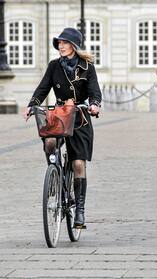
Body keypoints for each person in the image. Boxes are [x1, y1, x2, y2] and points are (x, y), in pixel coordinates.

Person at [23, 27, 101, 227]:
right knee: (49, 141)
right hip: (59, 115)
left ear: (74, 46)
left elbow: (94, 91)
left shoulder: (87, 67)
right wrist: (32, 104)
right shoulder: (54, 66)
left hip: (80, 117)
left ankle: (80, 212)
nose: (61, 46)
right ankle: (54, 173)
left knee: (77, 164)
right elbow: (43, 88)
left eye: (65, 43)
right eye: (59, 43)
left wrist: (94, 104)